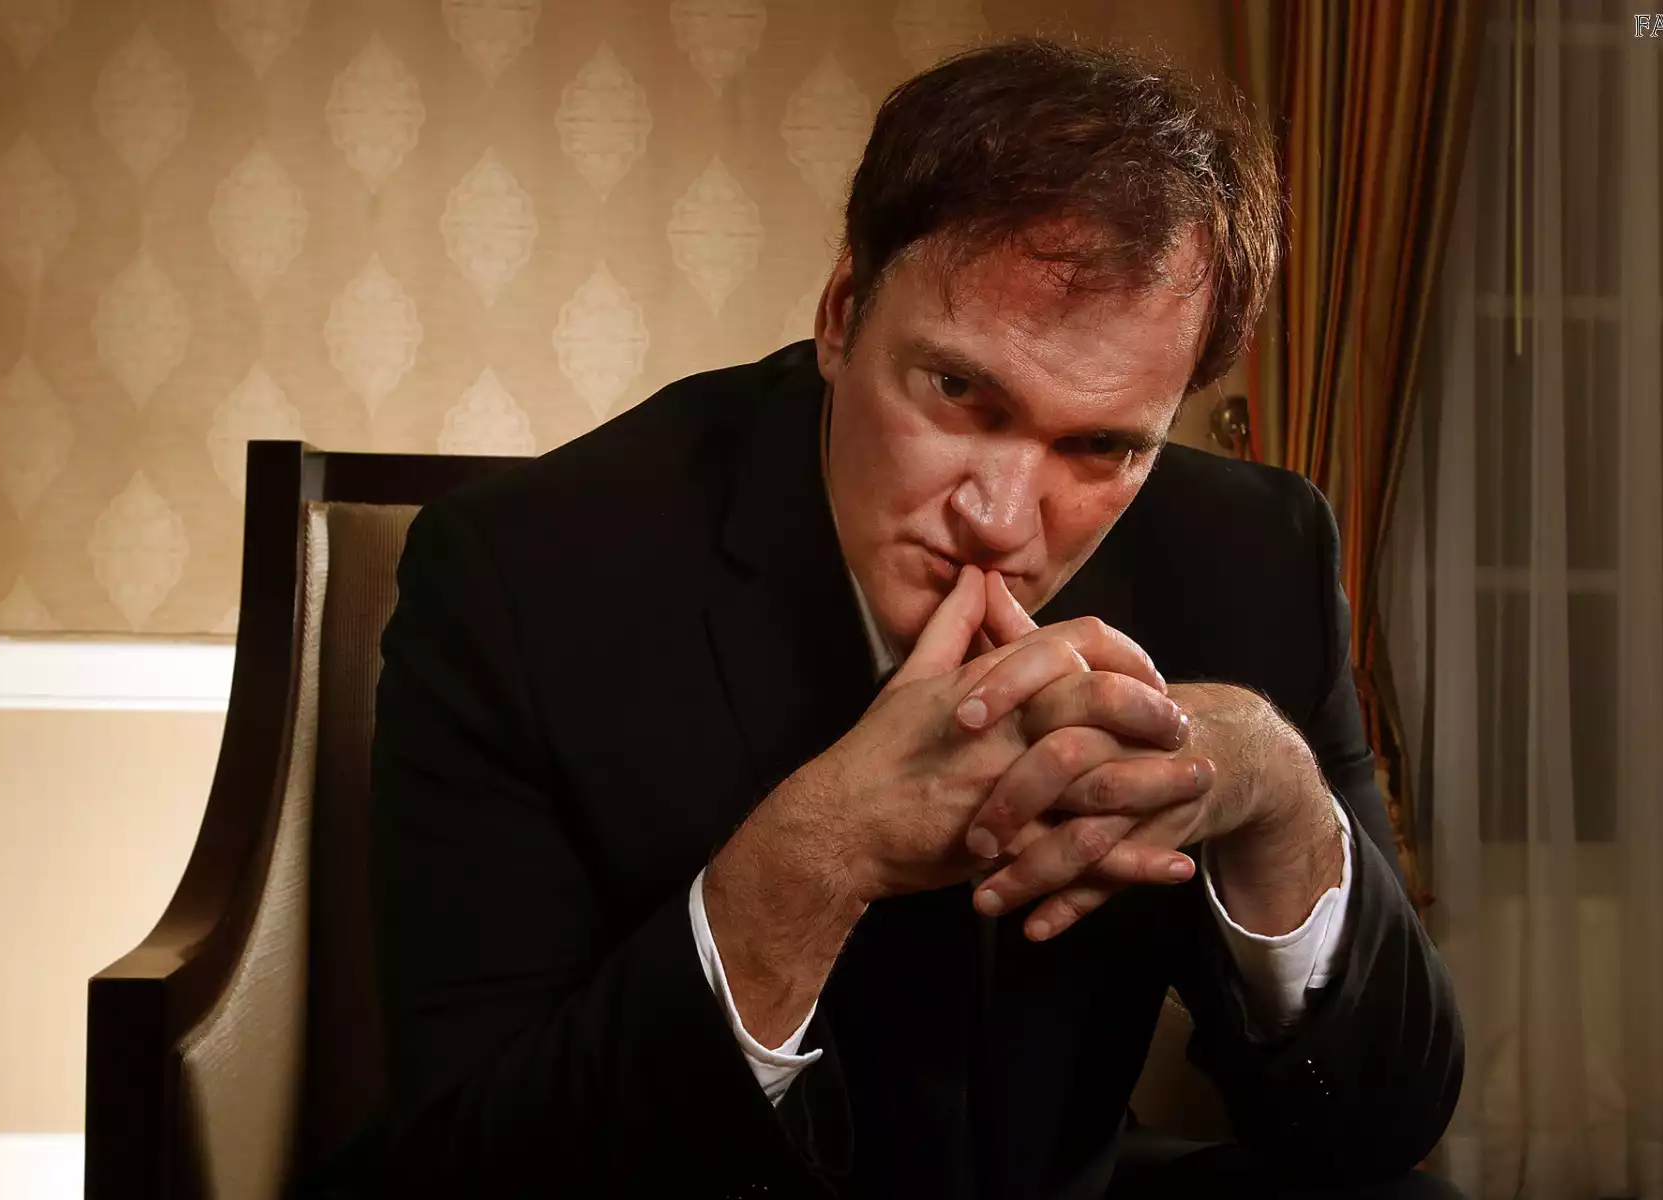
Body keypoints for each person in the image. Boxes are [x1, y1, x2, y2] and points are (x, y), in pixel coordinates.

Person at [369, 38, 1462, 1200]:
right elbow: (480, 1164)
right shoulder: (527, 574)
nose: (1000, 520)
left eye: (1102, 444)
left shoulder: (1251, 555)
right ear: (843, 314)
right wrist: (819, 855)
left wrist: (1277, 800)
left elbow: (1380, 1126)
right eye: (958, 391)